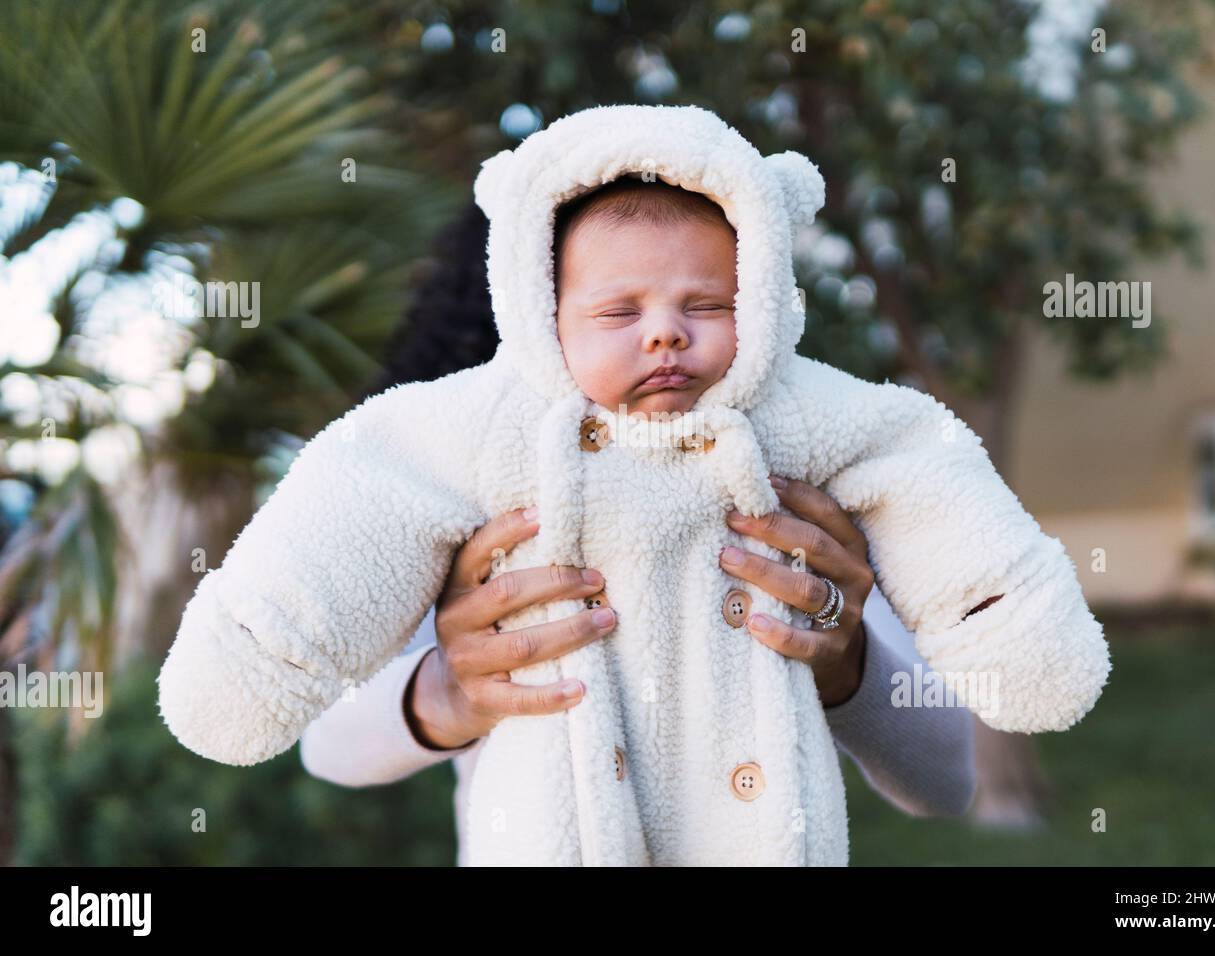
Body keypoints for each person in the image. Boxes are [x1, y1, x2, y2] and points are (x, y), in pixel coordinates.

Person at [157, 104, 1111, 866]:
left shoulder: (787, 464)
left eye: (706, 301)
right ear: (534, 310)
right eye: (616, 306)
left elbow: (945, 777)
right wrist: (446, 688)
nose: (663, 335)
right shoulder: (481, 461)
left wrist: (844, 656)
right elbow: (332, 740)